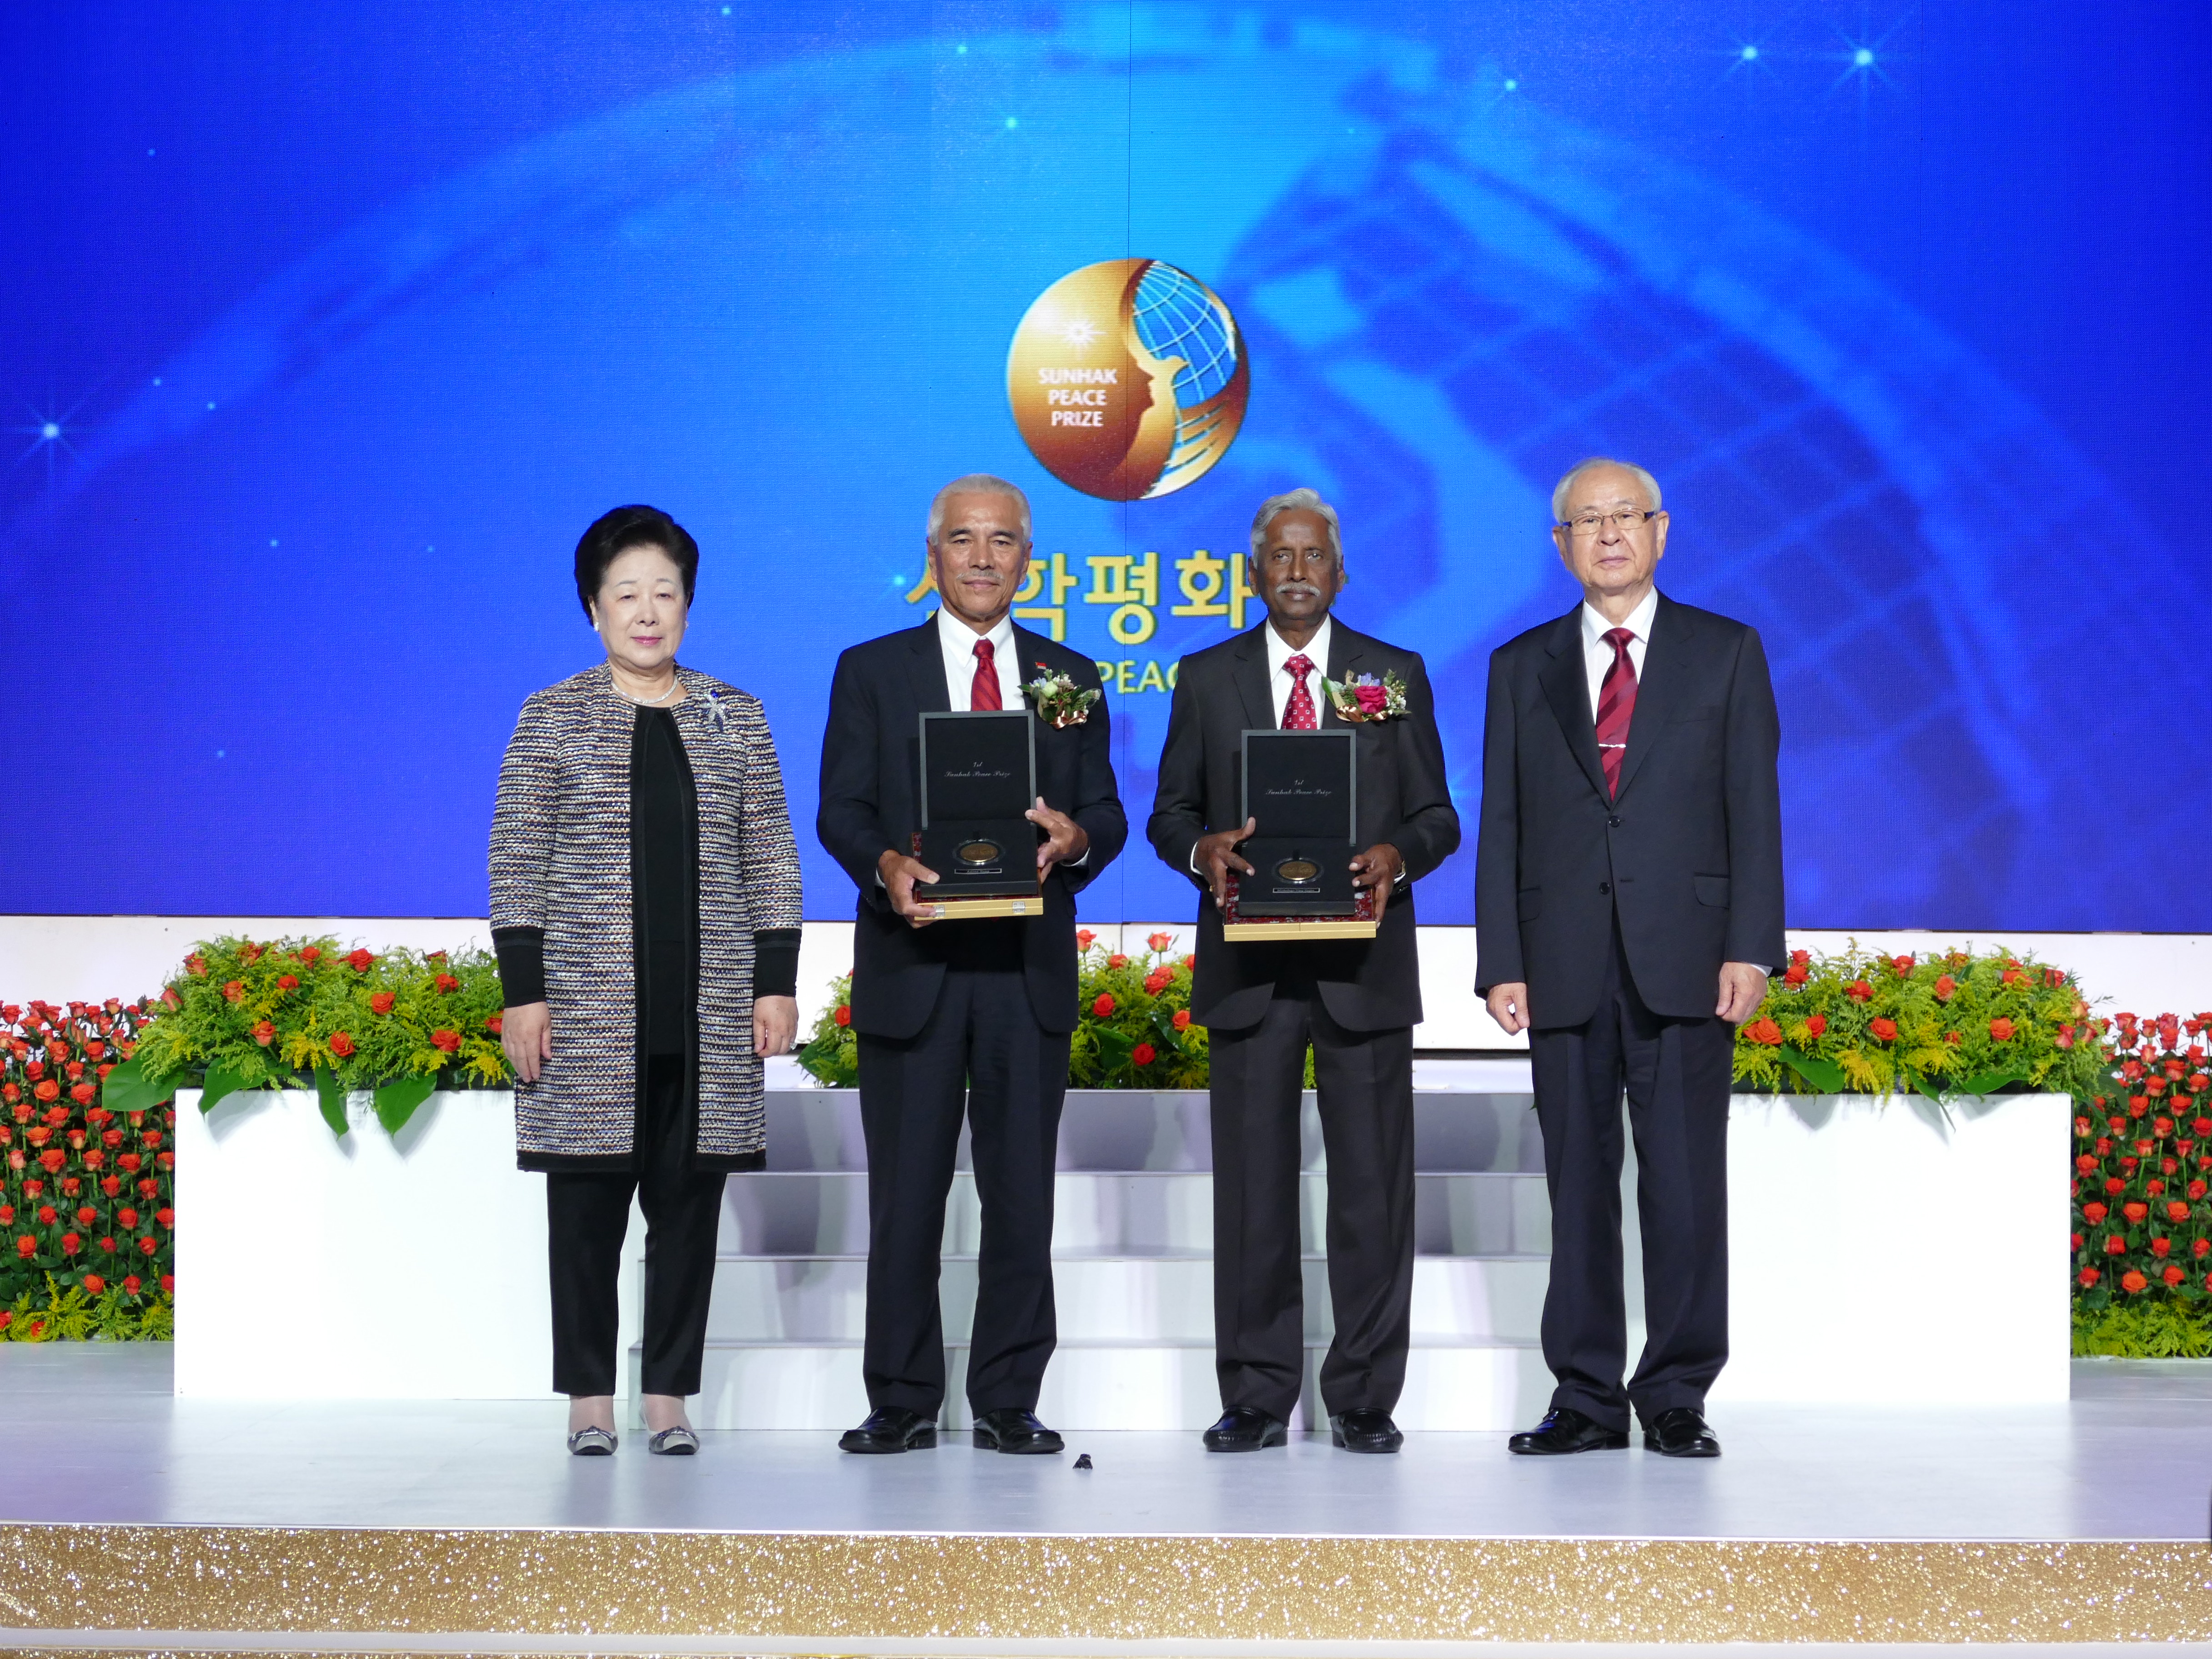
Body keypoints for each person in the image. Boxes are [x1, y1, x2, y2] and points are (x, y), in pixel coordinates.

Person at [1475, 458, 1783, 1460]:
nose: (1607, 535)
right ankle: (1585, 1396)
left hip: (1688, 960)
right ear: (1559, 545)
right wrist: (1500, 960)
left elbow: (1753, 811)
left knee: (1685, 1184)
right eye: (1586, 522)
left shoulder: (1724, 652)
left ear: (1660, 531)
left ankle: (1677, 1393)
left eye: (1625, 517)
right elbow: (1504, 825)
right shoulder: (1519, 666)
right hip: (1562, 960)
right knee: (1576, 1185)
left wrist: (1750, 946)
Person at [817, 473, 1125, 1455]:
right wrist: (885, 865)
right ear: (934, 556)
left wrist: (1076, 840)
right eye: (963, 540)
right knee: (905, 1196)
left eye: (1002, 542)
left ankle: (1006, 1399)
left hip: (1022, 971)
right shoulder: (871, 670)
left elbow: (1108, 813)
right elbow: (842, 808)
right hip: (914, 964)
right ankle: (901, 1398)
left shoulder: (1070, 676)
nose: (983, 558)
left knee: (1019, 1196)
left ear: (1027, 559)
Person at [1148, 488, 1460, 1455]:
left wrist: (1392, 858)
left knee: (1371, 1188)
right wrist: (1203, 853)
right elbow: (1167, 812)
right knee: (1251, 1192)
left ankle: (1363, 1396)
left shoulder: (1391, 673)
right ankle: (1254, 1394)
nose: (1294, 570)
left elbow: (1438, 817)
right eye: (1277, 556)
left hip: (1361, 964)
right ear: (1253, 573)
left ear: (1339, 571)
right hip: (1249, 968)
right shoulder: (1206, 677)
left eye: (1311, 555)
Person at [488, 504, 803, 1457]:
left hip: (705, 1013)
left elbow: (772, 857)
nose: (647, 611)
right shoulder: (551, 716)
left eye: (664, 592)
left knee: (689, 1207)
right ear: (593, 609)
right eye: (626, 593)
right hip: (585, 1013)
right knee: (583, 1212)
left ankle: (667, 1397)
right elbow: (517, 861)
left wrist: (775, 980)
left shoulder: (733, 715)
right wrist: (524, 990)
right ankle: (589, 1398)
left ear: (687, 604)